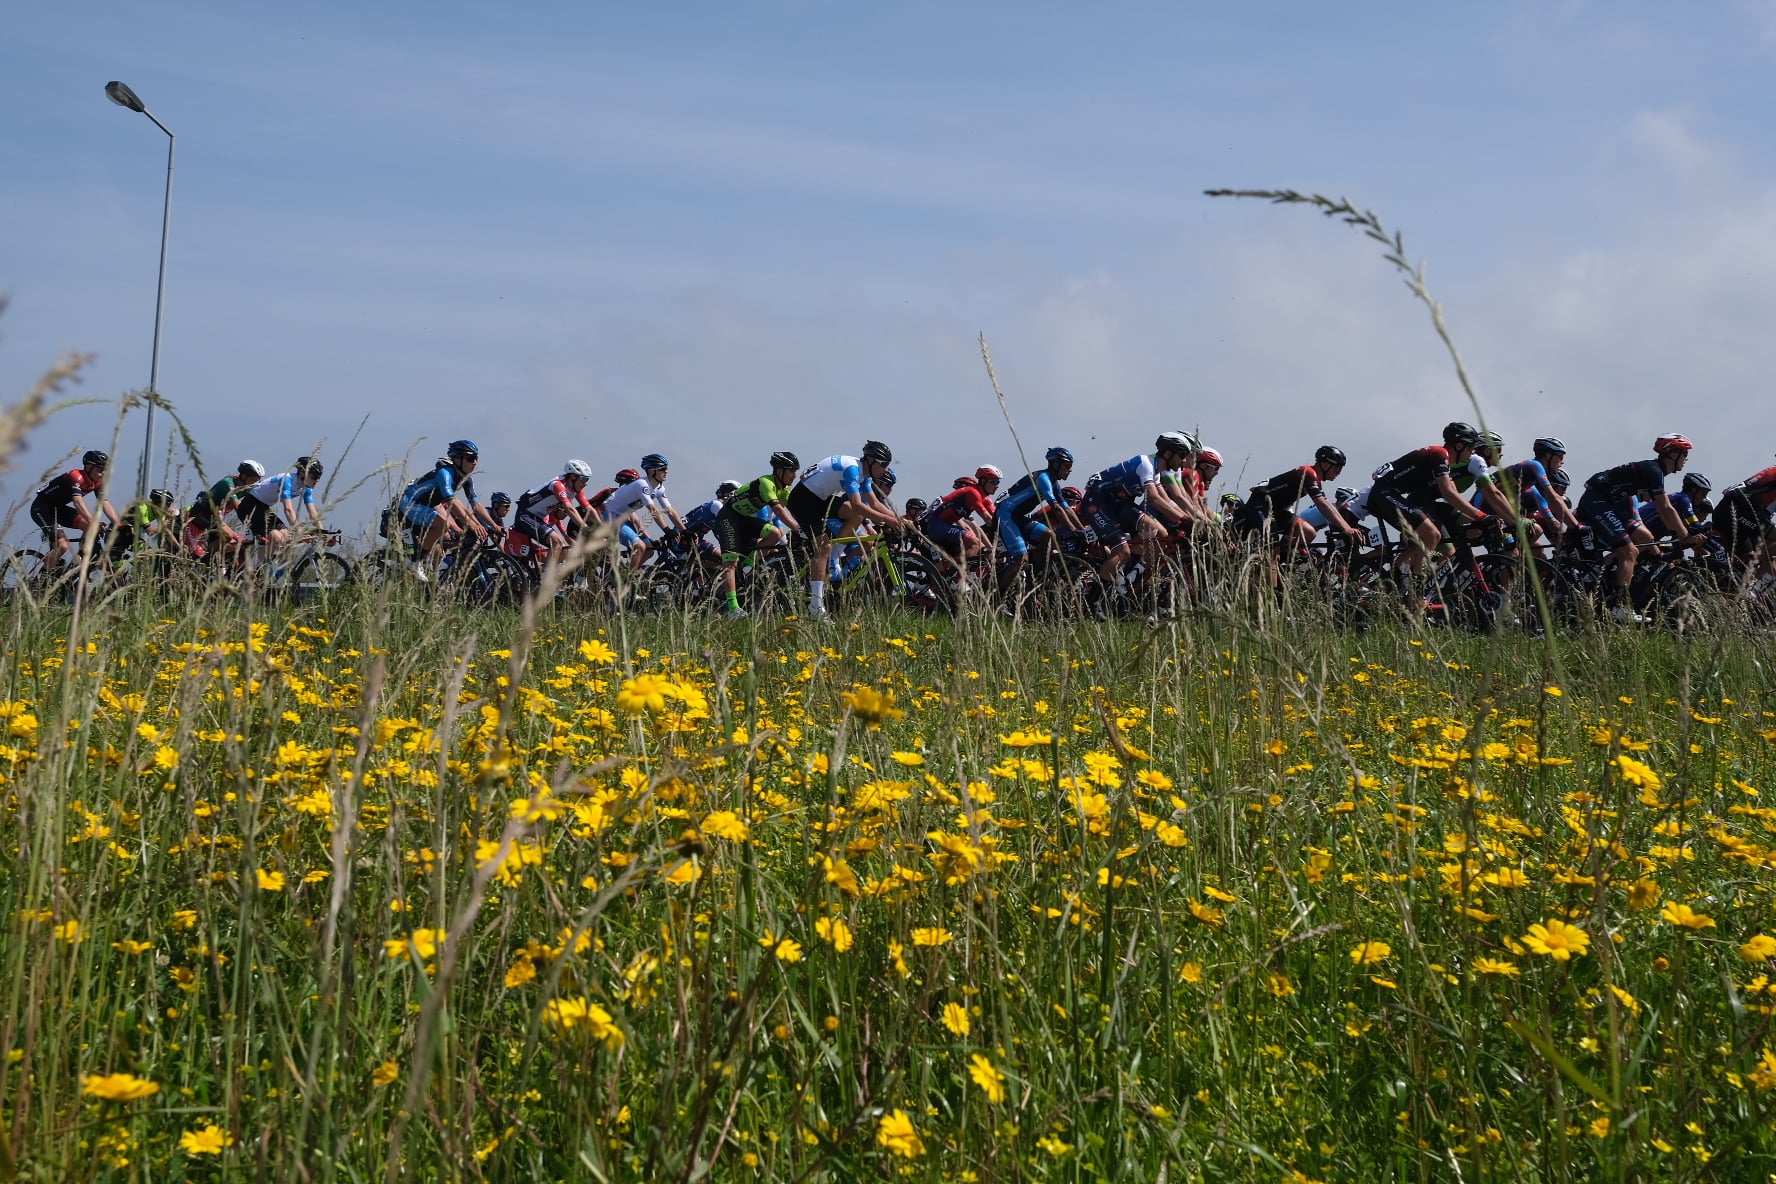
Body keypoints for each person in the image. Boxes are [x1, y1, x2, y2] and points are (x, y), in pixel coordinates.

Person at [1576, 434, 1709, 621]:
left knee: (1645, 538)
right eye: (1684, 454)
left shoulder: (1656, 472)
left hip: (1613, 504)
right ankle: (1619, 607)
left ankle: (1606, 584)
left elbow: (1660, 517)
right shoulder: (1654, 471)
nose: (1686, 459)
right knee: (1628, 551)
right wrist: (1686, 537)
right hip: (1597, 501)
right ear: (1672, 454)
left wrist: (1659, 552)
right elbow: (1665, 508)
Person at [1366, 422, 1496, 589]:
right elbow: (1448, 493)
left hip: (1391, 493)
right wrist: (1482, 516)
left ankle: (1395, 581)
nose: (1473, 451)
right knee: (1432, 534)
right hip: (1384, 493)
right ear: (1458, 445)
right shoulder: (1439, 454)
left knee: (1427, 538)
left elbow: (1453, 495)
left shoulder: (1444, 461)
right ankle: (1417, 587)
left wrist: (1477, 517)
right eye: (1471, 447)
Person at [785, 441, 900, 616]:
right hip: (803, 499)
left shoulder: (864, 474)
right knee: (823, 547)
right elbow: (857, 504)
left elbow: (875, 503)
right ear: (871, 461)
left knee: (855, 515)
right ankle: (815, 606)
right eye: (883, 464)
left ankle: (835, 556)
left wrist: (898, 520)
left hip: (820, 498)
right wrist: (886, 519)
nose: (885, 469)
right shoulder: (853, 469)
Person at [1079, 432, 1199, 593]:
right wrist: (1184, 518)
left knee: (1162, 533)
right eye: (1182, 455)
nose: (1184, 460)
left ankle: (1129, 573)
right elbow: (1155, 499)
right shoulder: (1146, 464)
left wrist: (1187, 520)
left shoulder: (1157, 471)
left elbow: (1167, 501)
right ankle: (1095, 599)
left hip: (1118, 504)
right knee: (1123, 552)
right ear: (1168, 453)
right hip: (1098, 502)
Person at [1233, 445, 1366, 562]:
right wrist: (1347, 528)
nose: (1338, 473)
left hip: (1278, 510)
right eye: (1337, 469)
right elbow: (1322, 504)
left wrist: (1346, 527)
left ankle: (1281, 565)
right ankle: (1271, 568)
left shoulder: (1315, 481)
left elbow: (1325, 503)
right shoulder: (1308, 472)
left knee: (1308, 532)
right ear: (1325, 465)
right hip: (1260, 505)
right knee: (1273, 552)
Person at [715, 452, 801, 618]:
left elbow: (795, 509)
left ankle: (748, 566)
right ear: (779, 470)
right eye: (791, 471)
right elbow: (778, 509)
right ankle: (733, 608)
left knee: (775, 533)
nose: (794, 475)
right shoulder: (766, 482)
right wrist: (798, 528)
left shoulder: (784, 489)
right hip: (728, 517)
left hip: (744, 519)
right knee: (730, 560)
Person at [995, 446, 1085, 594]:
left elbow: (1068, 509)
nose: (1070, 470)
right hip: (1005, 515)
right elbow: (1056, 509)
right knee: (1020, 559)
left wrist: (1082, 530)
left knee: (1049, 536)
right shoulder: (1043, 478)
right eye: (1067, 466)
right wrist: (1074, 530)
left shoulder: (1055, 483)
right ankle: (998, 598)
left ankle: (1034, 577)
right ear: (1055, 465)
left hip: (1017, 517)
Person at [30, 450, 120, 573]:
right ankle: (38, 584)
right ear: (88, 467)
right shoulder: (76, 476)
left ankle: (79, 560)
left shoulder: (97, 483)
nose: (103, 473)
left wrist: (118, 523)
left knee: (90, 528)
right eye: (100, 469)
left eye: (106, 469)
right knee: (62, 545)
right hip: (42, 508)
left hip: (59, 508)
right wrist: (93, 521)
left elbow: (104, 503)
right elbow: (77, 502)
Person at [396, 440, 484, 565]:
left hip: (425, 507)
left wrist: (481, 526)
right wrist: (471, 525)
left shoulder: (464, 478)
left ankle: (433, 575)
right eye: (470, 458)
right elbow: (451, 504)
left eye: (476, 458)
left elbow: (470, 505)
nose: (475, 462)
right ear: (458, 460)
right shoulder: (445, 474)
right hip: (410, 503)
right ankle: (416, 560)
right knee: (443, 525)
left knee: (445, 538)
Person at [602, 454, 686, 572]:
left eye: (666, 468)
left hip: (624, 519)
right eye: (662, 468)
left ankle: (626, 572)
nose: (666, 471)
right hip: (609, 516)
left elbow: (670, 510)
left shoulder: (659, 488)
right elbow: (652, 509)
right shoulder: (642, 484)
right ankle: (626, 582)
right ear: (652, 471)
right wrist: (667, 530)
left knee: (650, 548)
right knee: (639, 546)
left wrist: (685, 531)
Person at [920, 466, 1002, 586]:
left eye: (998, 482)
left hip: (944, 526)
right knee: (974, 543)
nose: (997, 485)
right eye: (994, 482)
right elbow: (988, 519)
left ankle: (951, 575)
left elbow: (997, 518)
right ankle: (957, 581)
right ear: (983, 481)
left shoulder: (985, 498)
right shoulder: (972, 493)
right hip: (936, 525)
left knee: (977, 547)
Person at [511, 459, 596, 573]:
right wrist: (585, 527)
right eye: (584, 479)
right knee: (557, 541)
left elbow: (589, 509)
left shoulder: (575, 489)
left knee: (565, 551)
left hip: (538, 518)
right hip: (525, 515)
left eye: (588, 479)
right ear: (572, 477)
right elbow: (569, 509)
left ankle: (540, 575)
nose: (586, 483)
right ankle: (546, 579)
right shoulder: (557, 485)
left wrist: (603, 527)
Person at [236, 457, 326, 556]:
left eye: (319, 477)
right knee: (277, 538)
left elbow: (313, 513)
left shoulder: (306, 488)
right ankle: (251, 569)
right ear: (302, 474)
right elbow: (288, 509)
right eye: (314, 477)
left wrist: (322, 532)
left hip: (264, 508)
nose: (317, 480)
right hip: (249, 506)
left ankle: (267, 564)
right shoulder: (287, 480)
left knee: (288, 538)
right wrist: (299, 530)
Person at [183, 459, 263, 564]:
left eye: (258, 479)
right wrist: (256, 527)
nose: (256, 482)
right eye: (254, 478)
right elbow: (238, 507)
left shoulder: (245, 488)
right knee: (228, 537)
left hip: (215, 518)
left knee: (237, 545)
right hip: (200, 515)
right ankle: (205, 560)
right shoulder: (228, 484)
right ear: (244, 476)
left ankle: (218, 567)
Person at [1714, 459, 1776, 577]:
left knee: (1760, 564)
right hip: (1733, 512)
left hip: (1745, 515)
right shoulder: (1773, 472)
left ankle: (1750, 589)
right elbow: (1740, 489)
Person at [108, 488, 177, 565]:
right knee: (118, 572)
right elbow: (150, 531)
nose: (168, 508)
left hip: (128, 535)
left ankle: (134, 566)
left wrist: (179, 547)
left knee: (150, 556)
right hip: (115, 535)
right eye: (167, 505)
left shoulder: (158, 511)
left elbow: (167, 532)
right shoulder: (142, 508)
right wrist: (166, 522)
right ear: (158, 503)